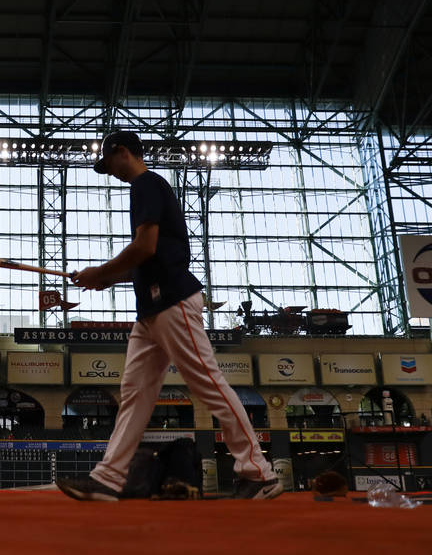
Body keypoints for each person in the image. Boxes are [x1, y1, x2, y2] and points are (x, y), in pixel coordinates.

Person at [55, 130, 282, 501]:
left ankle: (259, 473)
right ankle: (109, 479)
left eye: (108, 163)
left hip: (173, 301)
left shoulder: (146, 184)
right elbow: (150, 256)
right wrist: (107, 278)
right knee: (135, 394)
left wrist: (101, 271)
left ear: (122, 152)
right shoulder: (147, 187)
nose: (109, 171)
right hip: (151, 311)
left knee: (209, 384)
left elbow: (144, 246)